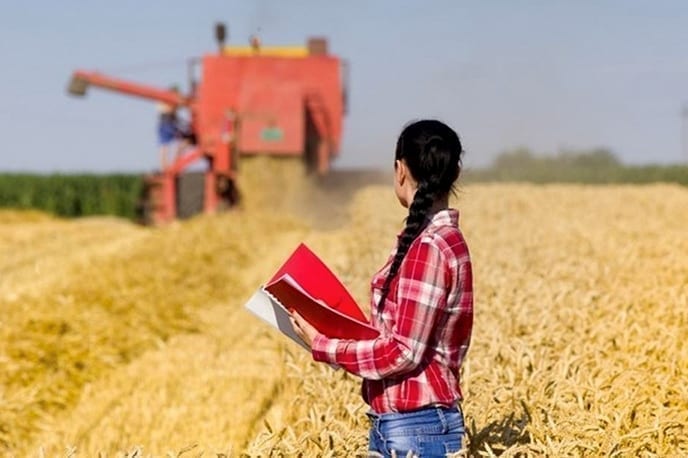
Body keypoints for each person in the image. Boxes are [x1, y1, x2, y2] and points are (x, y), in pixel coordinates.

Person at [290, 119, 473, 457]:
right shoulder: (437, 241)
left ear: (400, 170)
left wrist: (323, 345)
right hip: (409, 426)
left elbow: (403, 352)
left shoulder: (428, 248)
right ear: (456, 172)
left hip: (416, 428)